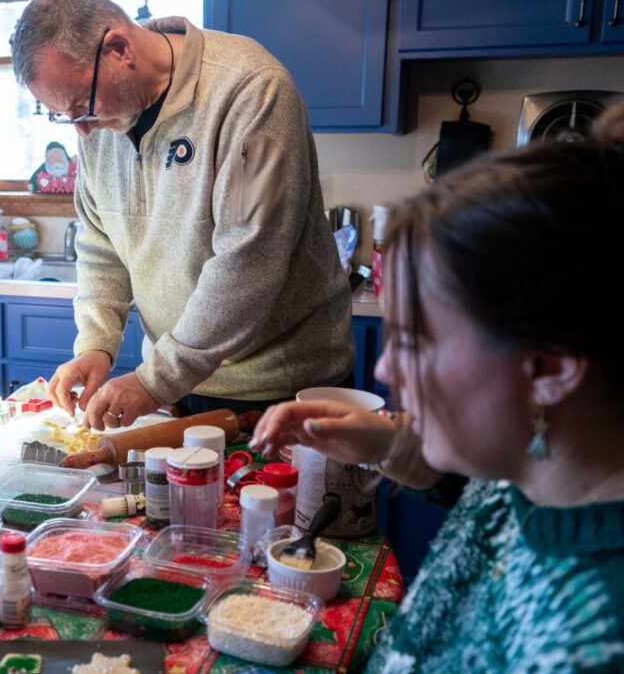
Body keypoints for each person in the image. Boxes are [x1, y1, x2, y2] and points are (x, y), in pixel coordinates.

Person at [251, 105, 624, 672]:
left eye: (414, 341)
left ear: (548, 369)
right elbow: (478, 487)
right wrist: (385, 444)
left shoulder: (588, 642)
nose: (385, 371)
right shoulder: (534, 468)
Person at [11, 0, 354, 430]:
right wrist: (95, 346)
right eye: (65, 116)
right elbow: (101, 245)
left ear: (119, 49)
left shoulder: (253, 92)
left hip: (279, 392)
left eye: (82, 106)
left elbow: (247, 261)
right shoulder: (101, 123)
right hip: (179, 382)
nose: (81, 128)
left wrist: (155, 379)